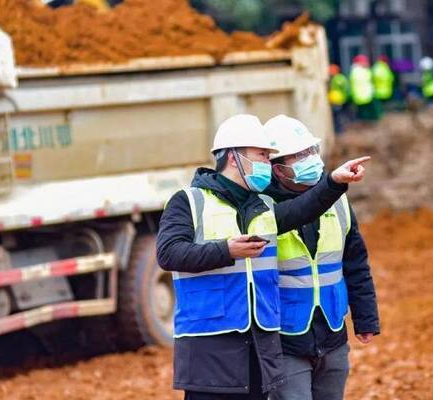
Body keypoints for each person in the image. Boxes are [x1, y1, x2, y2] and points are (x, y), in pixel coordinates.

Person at [157, 114, 371, 400]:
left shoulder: (262, 208)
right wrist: (226, 250)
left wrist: (333, 181)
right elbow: (169, 253)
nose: (267, 164)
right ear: (234, 158)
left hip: (257, 351)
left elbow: (303, 209)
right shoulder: (190, 202)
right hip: (209, 351)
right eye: (261, 155)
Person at [263, 115, 380, 400]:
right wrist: (333, 185)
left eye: (311, 151)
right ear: (277, 169)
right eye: (299, 155)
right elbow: (297, 212)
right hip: (284, 340)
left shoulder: (338, 202)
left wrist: (365, 319)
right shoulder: (261, 208)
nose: (311, 159)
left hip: (331, 334)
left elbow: (355, 263)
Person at [349, 55, 381, 121]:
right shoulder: (358, 71)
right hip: (363, 95)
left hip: (364, 95)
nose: (366, 63)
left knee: (364, 113)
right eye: (365, 62)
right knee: (366, 113)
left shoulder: (358, 70)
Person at [328, 64, 349, 135]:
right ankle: (339, 129)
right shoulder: (336, 78)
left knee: (337, 116)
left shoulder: (338, 78)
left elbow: (344, 88)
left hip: (337, 100)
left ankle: (339, 130)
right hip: (336, 99)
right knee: (337, 115)